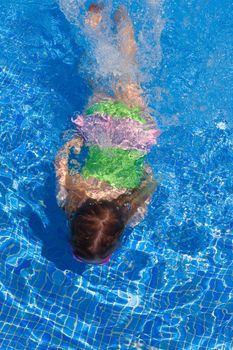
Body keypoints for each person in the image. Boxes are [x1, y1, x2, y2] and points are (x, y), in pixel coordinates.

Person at [55, 4, 160, 264]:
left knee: (129, 70)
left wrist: (141, 165)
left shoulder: (134, 210)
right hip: (100, 124)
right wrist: (71, 144)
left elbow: (150, 177)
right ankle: (96, 28)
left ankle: (123, 15)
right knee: (100, 75)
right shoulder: (70, 198)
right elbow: (61, 163)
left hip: (134, 134)